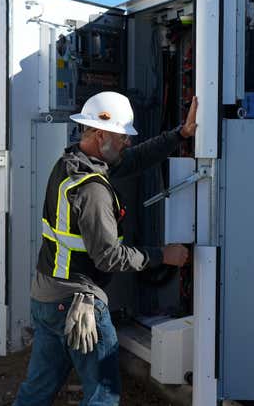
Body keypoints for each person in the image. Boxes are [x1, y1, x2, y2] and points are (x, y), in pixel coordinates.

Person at [14, 91, 198, 405]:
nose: (127, 142)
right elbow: (109, 256)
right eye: (122, 135)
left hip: (46, 297)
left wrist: (180, 135)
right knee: (104, 394)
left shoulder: (69, 164)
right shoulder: (93, 190)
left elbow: (135, 158)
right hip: (77, 304)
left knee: (37, 390)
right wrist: (163, 255)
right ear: (101, 135)